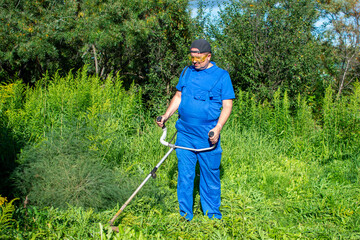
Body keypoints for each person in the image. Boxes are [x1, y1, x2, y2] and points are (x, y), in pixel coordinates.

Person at [156, 39, 235, 221]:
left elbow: (227, 106)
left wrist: (218, 127)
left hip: (208, 135)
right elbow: (178, 96)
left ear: (209, 56)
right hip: (185, 133)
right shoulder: (187, 72)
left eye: (198, 58)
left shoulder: (222, 76)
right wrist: (166, 116)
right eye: (192, 57)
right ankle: (185, 215)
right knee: (185, 175)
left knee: (210, 175)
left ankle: (212, 216)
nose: (194, 62)